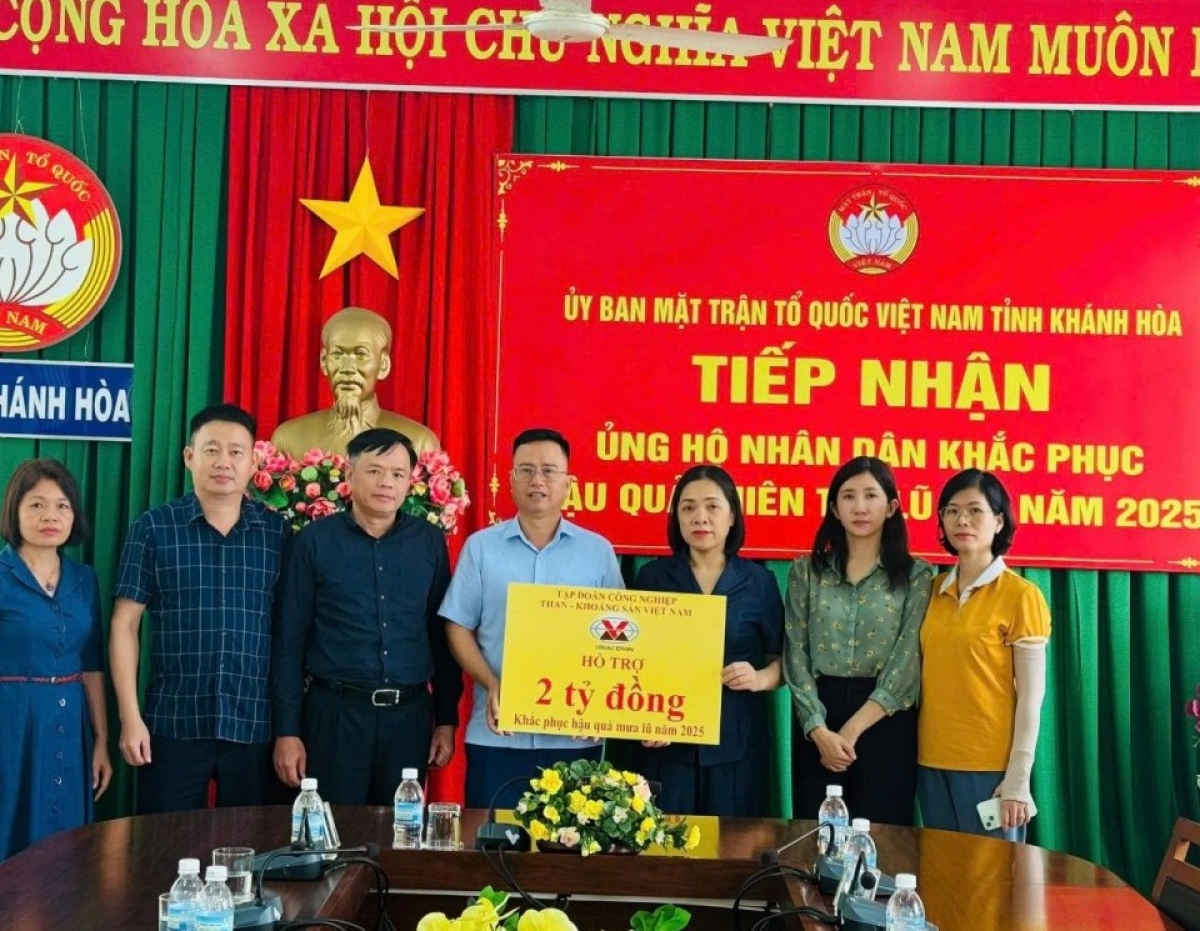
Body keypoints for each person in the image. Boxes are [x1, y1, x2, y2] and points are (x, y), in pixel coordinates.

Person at [109, 403, 291, 813]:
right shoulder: (153, 528)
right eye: (211, 450)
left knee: (252, 846)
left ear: (254, 462)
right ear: (189, 457)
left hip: (254, 723)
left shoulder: (277, 534)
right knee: (164, 844)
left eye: (236, 452)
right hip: (173, 722)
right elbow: (124, 625)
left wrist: (288, 728)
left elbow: (289, 634)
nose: (223, 461)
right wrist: (130, 717)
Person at [271, 428, 461, 804]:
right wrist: (287, 731)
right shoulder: (313, 542)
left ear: (409, 482)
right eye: (374, 471)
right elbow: (289, 641)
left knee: (399, 831)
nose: (386, 482)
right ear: (350, 475)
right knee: (333, 831)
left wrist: (446, 719)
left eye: (397, 474)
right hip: (335, 715)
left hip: (408, 718)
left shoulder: (428, 542)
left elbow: (441, 637)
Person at [440, 428, 624, 809]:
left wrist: (601, 703)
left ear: (568, 483)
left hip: (574, 737)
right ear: (510, 480)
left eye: (548, 471)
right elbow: (457, 624)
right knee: (492, 838)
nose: (537, 480)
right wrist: (491, 682)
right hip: (497, 733)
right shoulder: (481, 548)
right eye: (525, 470)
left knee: (569, 842)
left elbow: (618, 637)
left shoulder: (598, 552)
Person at [783, 456, 933, 826]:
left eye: (870, 495)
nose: (860, 507)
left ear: (892, 507)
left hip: (885, 720)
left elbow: (907, 663)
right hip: (818, 718)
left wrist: (850, 731)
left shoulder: (916, 575)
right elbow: (795, 655)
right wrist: (819, 731)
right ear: (835, 509)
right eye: (848, 497)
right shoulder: (806, 572)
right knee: (817, 838)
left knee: (882, 839)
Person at [631, 465, 783, 817]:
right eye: (688, 507)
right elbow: (632, 662)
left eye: (712, 506)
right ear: (677, 518)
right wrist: (642, 719)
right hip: (666, 744)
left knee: (731, 844)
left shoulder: (759, 581)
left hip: (736, 744)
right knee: (666, 844)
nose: (700, 517)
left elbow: (783, 662)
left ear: (732, 516)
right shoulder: (652, 578)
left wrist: (759, 678)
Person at [918, 469, 1051, 841]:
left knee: (992, 876)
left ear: (999, 521)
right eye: (952, 511)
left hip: (990, 767)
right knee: (942, 870)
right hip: (931, 761)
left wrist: (1017, 778)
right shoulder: (930, 591)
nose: (962, 520)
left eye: (975, 510)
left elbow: (1032, 695)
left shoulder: (1021, 596)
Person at [0, 460, 111, 860]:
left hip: (70, 723)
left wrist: (101, 741)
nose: (51, 516)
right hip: (11, 724)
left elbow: (92, 664)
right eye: (37, 505)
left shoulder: (84, 579)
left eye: (62, 506)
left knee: (65, 848)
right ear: (14, 511)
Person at [270, 307, 439, 458]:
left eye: (360, 355)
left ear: (383, 365)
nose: (347, 368)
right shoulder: (288, 440)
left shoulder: (418, 443)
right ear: (323, 361)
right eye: (337, 355)